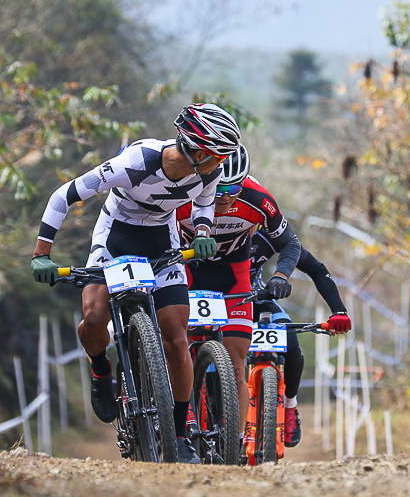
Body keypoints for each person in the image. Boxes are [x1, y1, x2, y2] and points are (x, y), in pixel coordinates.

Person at [30, 103, 241, 464]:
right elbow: (64, 195)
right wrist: (42, 252)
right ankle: (100, 369)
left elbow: (204, 205)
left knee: (176, 335)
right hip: (114, 239)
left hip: (162, 241)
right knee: (95, 319)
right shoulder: (136, 162)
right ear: (199, 150)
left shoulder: (207, 174)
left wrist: (203, 231)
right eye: (219, 156)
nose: (222, 165)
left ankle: (179, 434)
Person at [176, 144, 302, 440]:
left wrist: (281, 276)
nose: (224, 198)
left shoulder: (258, 198)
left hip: (234, 276)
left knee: (235, 364)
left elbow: (291, 243)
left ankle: (235, 439)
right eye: (217, 190)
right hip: (187, 271)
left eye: (232, 190)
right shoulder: (181, 193)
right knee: (175, 345)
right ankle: (181, 416)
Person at [249, 232, 352, 448]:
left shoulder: (268, 232)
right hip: (216, 298)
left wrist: (338, 311)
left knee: (291, 343)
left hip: (255, 298)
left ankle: (289, 406)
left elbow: (316, 268)